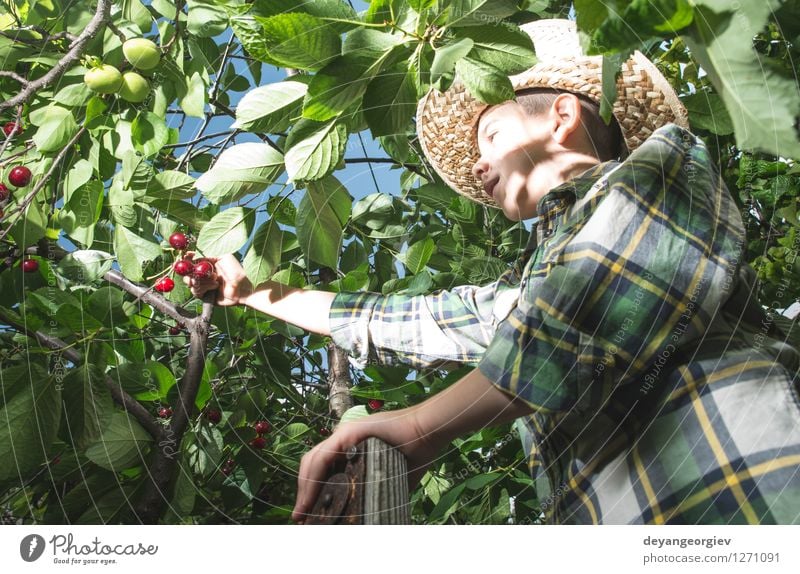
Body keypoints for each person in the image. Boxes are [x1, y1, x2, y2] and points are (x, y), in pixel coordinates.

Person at [186, 20, 800, 524]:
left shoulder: (663, 168)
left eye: (492, 135)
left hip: (742, 494)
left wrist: (424, 424)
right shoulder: (538, 288)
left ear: (561, 117)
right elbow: (413, 320)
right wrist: (253, 293)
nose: (479, 167)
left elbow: (596, 299)